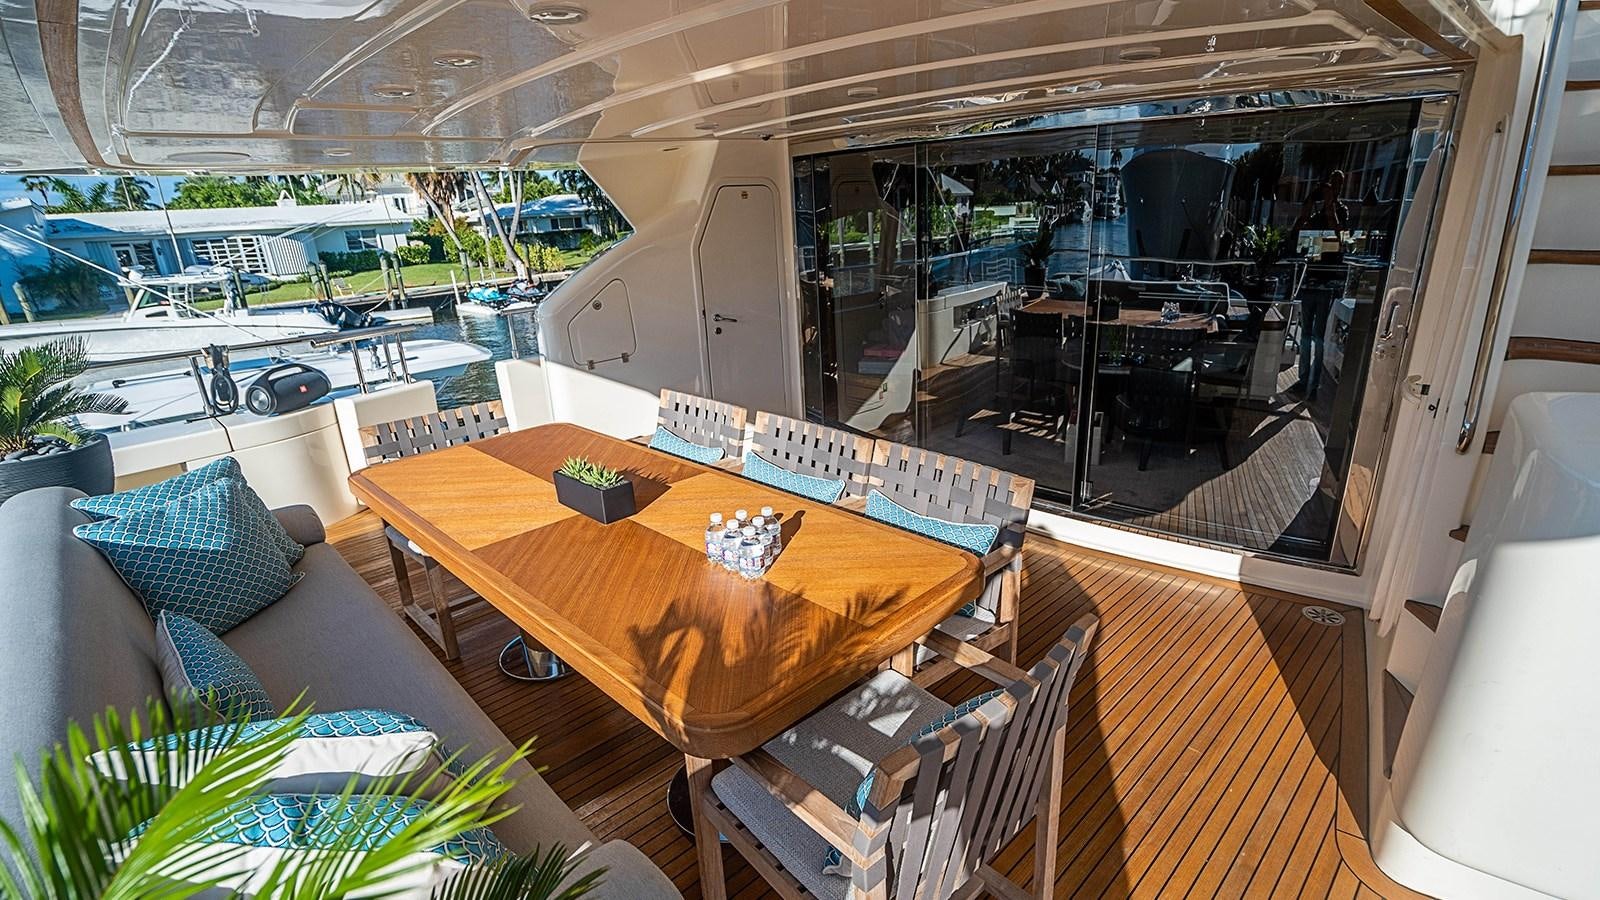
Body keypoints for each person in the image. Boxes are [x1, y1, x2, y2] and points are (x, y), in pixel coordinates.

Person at [1287, 170, 1350, 400]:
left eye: (1335, 184)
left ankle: (1313, 384)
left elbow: (1341, 240)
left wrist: (1330, 207)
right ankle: (1304, 380)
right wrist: (1309, 202)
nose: (1331, 188)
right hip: (1310, 279)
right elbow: (1297, 236)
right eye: (1329, 183)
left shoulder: (1340, 211)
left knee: (1319, 336)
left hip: (1327, 281)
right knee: (1305, 334)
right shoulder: (1315, 215)